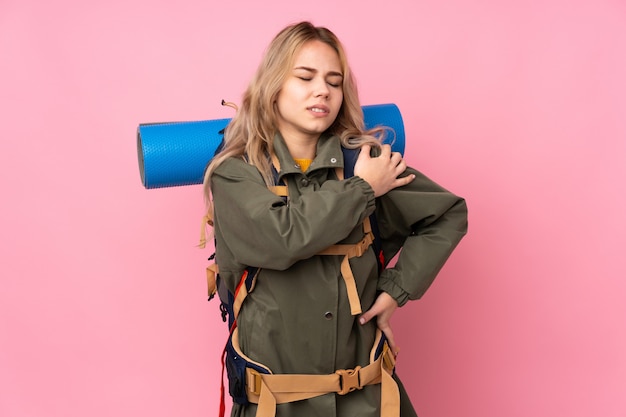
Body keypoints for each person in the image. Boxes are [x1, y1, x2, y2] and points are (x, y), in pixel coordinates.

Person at [202, 21, 468, 417]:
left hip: (369, 400)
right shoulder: (236, 173)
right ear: (273, 84)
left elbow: (448, 213)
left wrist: (397, 290)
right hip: (274, 405)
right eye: (305, 77)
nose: (322, 90)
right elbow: (282, 237)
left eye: (334, 80)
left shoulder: (363, 163)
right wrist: (362, 191)